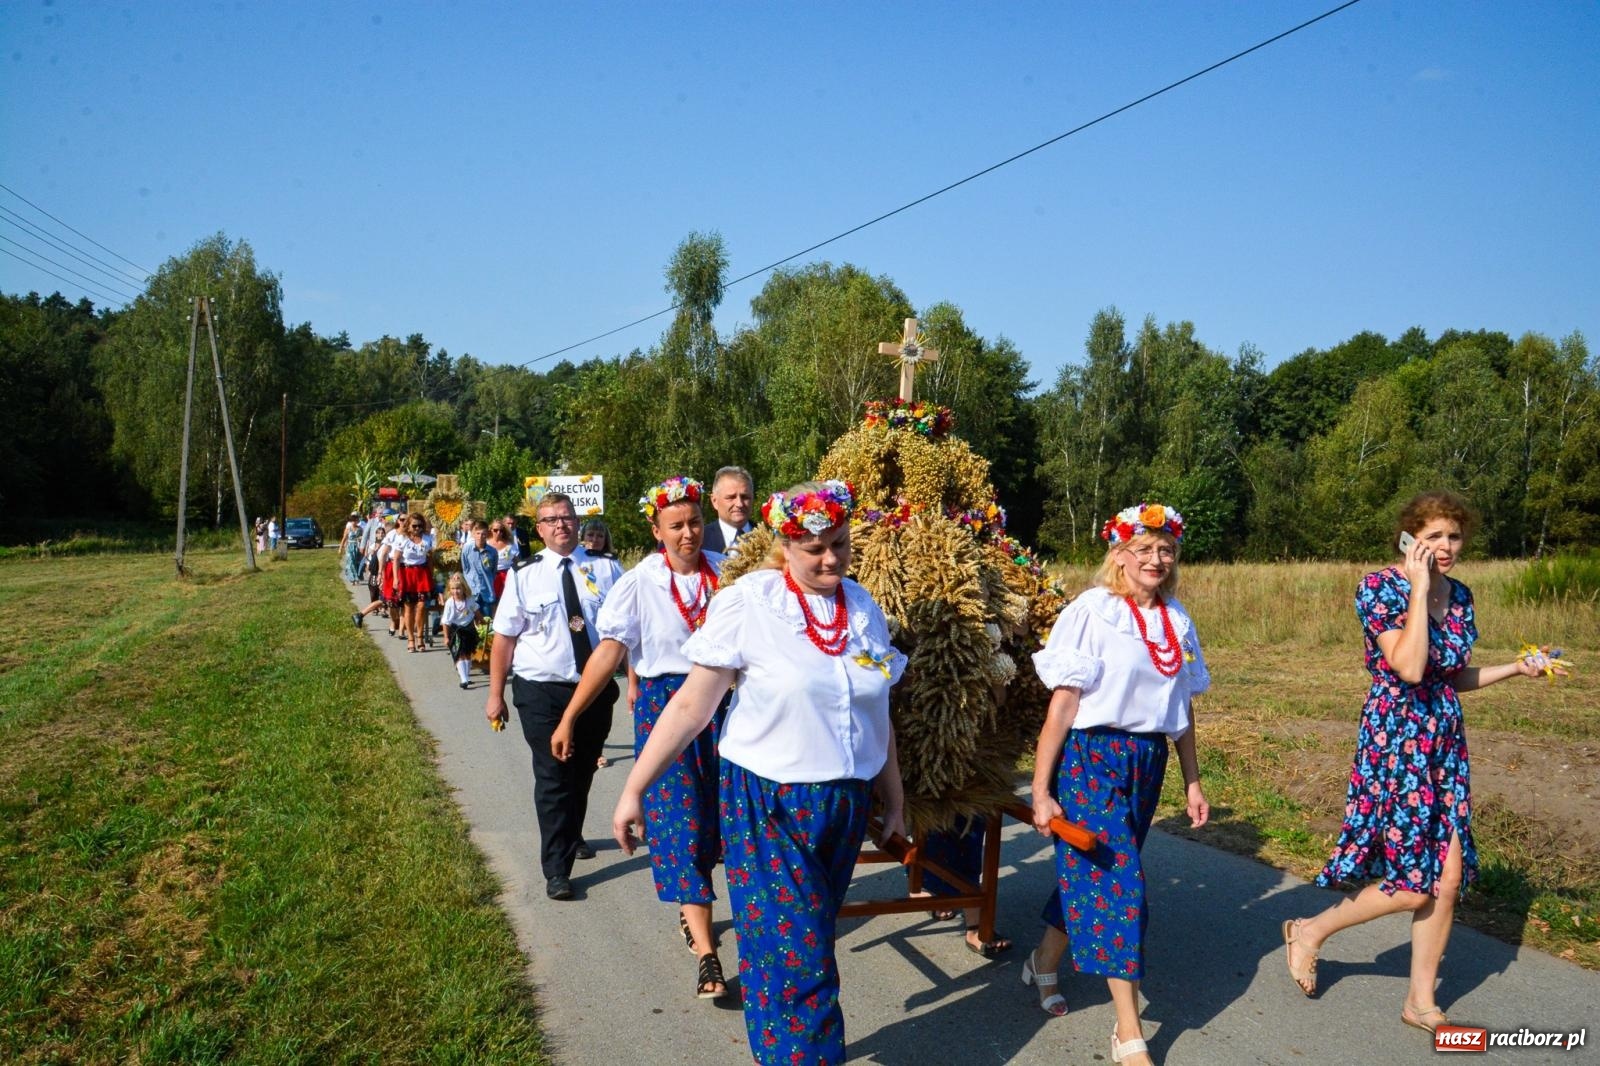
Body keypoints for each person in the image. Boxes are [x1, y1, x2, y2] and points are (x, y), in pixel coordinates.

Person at [613, 480, 906, 1065]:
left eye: (840, 545)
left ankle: (778, 1051)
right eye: (813, 548)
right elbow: (692, 706)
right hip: (768, 801)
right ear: (784, 545)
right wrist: (634, 788)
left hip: (843, 803)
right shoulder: (751, 601)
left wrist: (892, 797)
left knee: (799, 941)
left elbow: (880, 712)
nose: (829, 559)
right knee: (800, 953)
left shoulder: (863, 607)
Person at [1281, 490, 1563, 1034]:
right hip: (1396, 741)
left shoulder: (1461, 595)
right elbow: (1410, 668)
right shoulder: (1380, 588)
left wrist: (1516, 668)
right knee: (1414, 882)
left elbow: (1451, 675)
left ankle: (1420, 1000)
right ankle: (1312, 929)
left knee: (1448, 878)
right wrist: (1417, 589)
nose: (1446, 546)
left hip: (1443, 742)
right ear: (1410, 539)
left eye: (1454, 536)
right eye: (1434, 536)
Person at [1025, 502, 1209, 1066]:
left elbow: (1179, 712)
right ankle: (1129, 1032)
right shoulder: (1094, 610)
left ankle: (1043, 961)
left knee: (1095, 870)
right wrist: (1040, 788)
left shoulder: (1177, 620)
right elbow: (1063, 704)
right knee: (1119, 880)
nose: (1156, 559)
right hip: (1092, 759)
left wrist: (1193, 781)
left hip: (1146, 762)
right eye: (1144, 548)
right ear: (1120, 555)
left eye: (1166, 550)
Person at [553, 477, 729, 998]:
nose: (689, 533)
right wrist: (569, 716)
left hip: (726, 707)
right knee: (681, 825)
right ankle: (707, 954)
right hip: (667, 708)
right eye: (676, 525)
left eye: (695, 522)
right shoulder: (638, 583)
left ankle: (716, 914)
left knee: (728, 822)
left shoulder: (728, 576)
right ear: (656, 530)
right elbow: (609, 652)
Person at [486, 492, 624, 901]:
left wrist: (633, 681)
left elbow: (627, 633)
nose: (560, 525)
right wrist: (496, 694)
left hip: (595, 690)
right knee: (552, 774)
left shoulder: (607, 569)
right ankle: (556, 869)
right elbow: (504, 638)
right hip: (542, 690)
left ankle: (571, 832)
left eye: (567, 517)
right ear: (540, 528)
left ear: (578, 523)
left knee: (581, 772)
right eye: (551, 520)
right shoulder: (524, 574)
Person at [393, 514, 435, 652]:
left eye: (420, 526)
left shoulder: (427, 539)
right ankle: (411, 639)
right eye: (414, 526)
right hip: (407, 574)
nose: (417, 528)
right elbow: (396, 559)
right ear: (409, 526)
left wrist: (432, 575)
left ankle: (420, 637)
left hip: (422, 574)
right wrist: (395, 578)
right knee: (409, 607)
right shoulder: (403, 539)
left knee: (422, 606)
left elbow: (429, 559)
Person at [441, 573, 483, 690]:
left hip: (469, 628)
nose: (456, 591)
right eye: (453, 589)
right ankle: (463, 679)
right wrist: (446, 637)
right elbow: (446, 621)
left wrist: (482, 621)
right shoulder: (450, 603)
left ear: (464, 589)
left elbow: (476, 611)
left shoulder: (469, 600)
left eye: (458, 588)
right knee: (459, 654)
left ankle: (467, 676)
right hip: (456, 630)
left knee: (468, 653)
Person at [699, 466, 754, 554]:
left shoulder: (771, 538)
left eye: (745, 497)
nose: (739, 504)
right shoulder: (700, 541)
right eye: (731, 497)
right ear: (715, 501)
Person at [459, 519, 500, 618]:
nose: (480, 537)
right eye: (478, 533)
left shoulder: (492, 552)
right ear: (473, 534)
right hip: (472, 592)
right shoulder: (467, 549)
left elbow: (493, 571)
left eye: (483, 534)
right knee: (471, 621)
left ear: (487, 534)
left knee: (486, 622)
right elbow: (465, 568)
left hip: (487, 591)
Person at [487, 519, 517, 605]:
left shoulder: (509, 545)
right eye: (496, 530)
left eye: (501, 530)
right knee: (492, 601)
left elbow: (517, 561)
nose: (498, 532)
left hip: (506, 575)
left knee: (506, 601)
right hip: (491, 576)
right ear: (491, 530)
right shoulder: (486, 544)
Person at [339, 512, 363, 583]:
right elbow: (344, 538)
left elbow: (363, 538)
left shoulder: (360, 529)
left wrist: (360, 538)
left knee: (356, 562)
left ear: (357, 521)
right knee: (351, 562)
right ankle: (352, 578)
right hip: (349, 547)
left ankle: (357, 577)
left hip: (357, 547)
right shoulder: (348, 529)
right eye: (352, 520)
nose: (353, 522)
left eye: (355, 520)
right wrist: (340, 548)